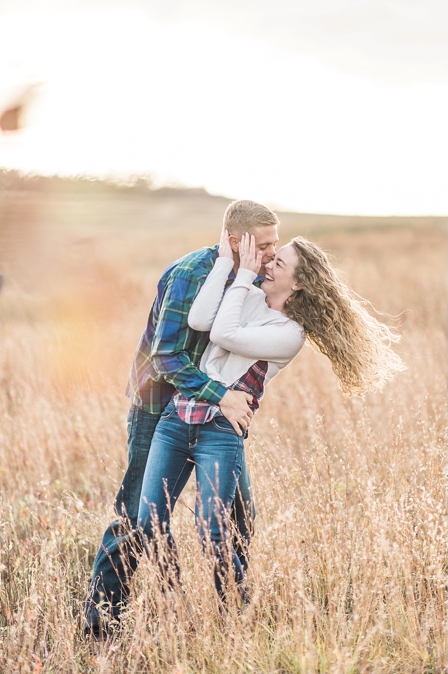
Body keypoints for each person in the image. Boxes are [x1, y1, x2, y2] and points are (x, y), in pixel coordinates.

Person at [135, 225, 405, 608]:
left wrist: (242, 274)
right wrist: (228, 266)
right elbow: (200, 321)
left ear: (297, 284)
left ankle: (235, 610)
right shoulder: (250, 296)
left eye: (278, 262)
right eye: (271, 258)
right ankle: (172, 596)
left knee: (212, 531)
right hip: (177, 417)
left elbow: (224, 335)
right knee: (148, 521)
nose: (267, 264)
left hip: (219, 432)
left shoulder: (289, 334)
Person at [84, 200, 279, 636]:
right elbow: (167, 356)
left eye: (274, 242)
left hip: (214, 420)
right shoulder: (191, 274)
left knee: (239, 514)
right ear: (235, 240)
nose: (272, 252)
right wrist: (222, 395)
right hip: (158, 413)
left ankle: (235, 620)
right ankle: (101, 623)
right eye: (264, 244)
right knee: (139, 519)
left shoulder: (249, 281)